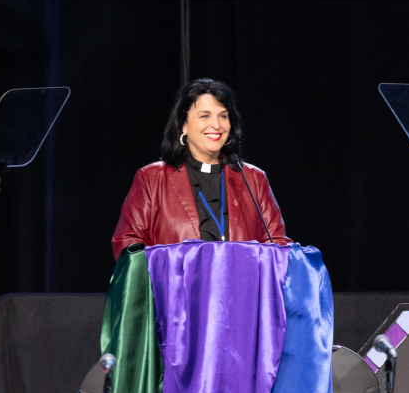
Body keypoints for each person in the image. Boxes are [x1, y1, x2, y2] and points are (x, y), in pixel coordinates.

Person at [111, 78, 292, 258]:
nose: (217, 125)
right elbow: (127, 244)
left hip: (242, 278)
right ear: (183, 125)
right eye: (205, 116)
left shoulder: (254, 178)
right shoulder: (151, 177)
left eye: (223, 116)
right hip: (176, 278)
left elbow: (278, 243)